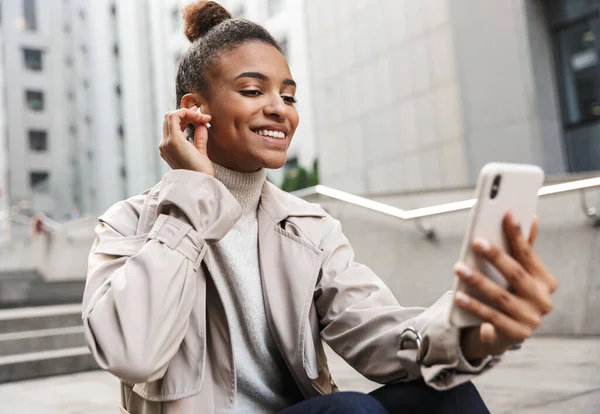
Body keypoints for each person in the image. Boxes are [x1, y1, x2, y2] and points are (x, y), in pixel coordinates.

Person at [81, 2, 558, 413]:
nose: (279, 109)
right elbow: (132, 352)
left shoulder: (308, 227)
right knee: (350, 409)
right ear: (193, 110)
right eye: (253, 91)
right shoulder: (132, 223)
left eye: (287, 95)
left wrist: (473, 331)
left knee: (447, 396)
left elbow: (376, 332)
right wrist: (190, 197)